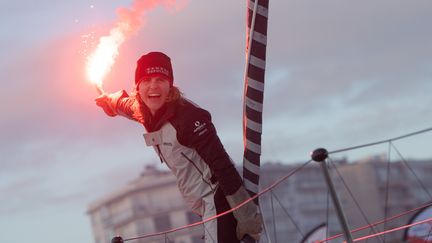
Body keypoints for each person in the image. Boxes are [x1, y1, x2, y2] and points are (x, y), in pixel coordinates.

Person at [95, 51, 262, 242]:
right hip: (200, 203)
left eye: (160, 79)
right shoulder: (142, 109)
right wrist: (109, 102)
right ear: (138, 87)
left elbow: (223, 166)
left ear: (170, 85)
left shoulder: (189, 118)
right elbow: (123, 104)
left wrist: (247, 216)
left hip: (218, 199)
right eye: (146, 80)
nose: (153, 86)